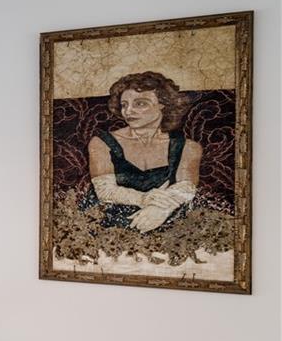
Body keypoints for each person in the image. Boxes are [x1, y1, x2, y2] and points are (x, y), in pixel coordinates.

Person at [82, 71, 202, 232]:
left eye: (140, 103)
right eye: (124, 105)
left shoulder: (188, 147)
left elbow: (185, 188)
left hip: (167, 218)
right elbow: (105, 191)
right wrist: (143, 198)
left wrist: (159, 211)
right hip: (107, 221)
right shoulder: (102, 142)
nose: (128, 111)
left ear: (163, 104)